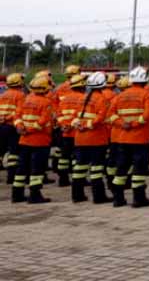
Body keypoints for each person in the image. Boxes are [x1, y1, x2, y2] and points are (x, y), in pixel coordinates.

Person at [108, 66, 149, 208]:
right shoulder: (146, 95)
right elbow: (148, 115)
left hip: (123, 138)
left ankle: (118, 199)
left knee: (121, 169)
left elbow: (111, 115)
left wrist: (123, 123)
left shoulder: (119, 96)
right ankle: (139, 199)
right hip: (140, 139)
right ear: (145, 81)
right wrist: (134, 124)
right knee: (139, 170)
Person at [11, 75, 56, 204]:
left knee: (22, 168)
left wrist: (20, 127)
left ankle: (17, 194)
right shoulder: (46, 102)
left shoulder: (25, 100)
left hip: (24, 140)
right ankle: (34, 195)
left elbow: (17, 116)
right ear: (45, 89)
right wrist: (30, 129)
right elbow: (43, 121)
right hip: (39, 141)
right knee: (37, 169)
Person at [71, 71, 112, 204]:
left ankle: (77, 195)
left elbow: (75, 116)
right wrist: (88, 125)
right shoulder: (101, 99)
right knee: (96, 169)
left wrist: (80, 125)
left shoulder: (83, 98)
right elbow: (101, 118)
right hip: (96, 139)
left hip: (80, 138)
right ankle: (99, 196)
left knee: (79, 168)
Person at [54, 74, 86, 188]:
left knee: (64, 157)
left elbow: (59, 114)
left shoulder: (65, 99)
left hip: (65, 132)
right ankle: (78, 180)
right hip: (77, 133)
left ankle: (63, 179)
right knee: (77, 158)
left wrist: (64, 125)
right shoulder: (83, 98)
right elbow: (80, 115)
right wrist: (71, 125)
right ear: (82, 86)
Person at [0, 73, 26, 185]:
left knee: (0, 150)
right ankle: (11, 176)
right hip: (12, 126)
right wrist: (8, 118)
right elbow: (19, 112)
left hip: (1, 125)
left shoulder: (3, 95)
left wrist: (2, 118)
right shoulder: (20, 95)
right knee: (14, 152)